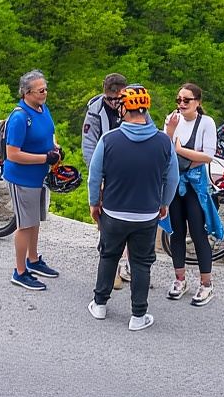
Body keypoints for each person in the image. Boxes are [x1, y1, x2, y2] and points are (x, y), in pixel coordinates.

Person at [87, 84, 178, 331]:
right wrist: (164, 204)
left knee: (108, 256)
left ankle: (100, 304)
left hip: (114, 212)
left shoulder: (109, 140)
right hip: (147, 214)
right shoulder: (163, 142)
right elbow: (172, 179)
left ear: (124, 108)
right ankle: (138, 316)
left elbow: (94, 177)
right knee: (141, 263)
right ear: (146, 109)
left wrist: (94, 204)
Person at [4, 69, 61, 291]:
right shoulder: (19, 117)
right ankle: (19, 271)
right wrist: (44, 158)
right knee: (25, 225)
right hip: (22, 178)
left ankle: (34, 259)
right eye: (40, 90)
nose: (45, 93)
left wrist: (55, 149)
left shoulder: (42, 108)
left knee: (35, 221)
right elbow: (13, 154)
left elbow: (48, 134)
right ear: (26, 93)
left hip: (39, 177)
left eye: (45, 89)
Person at [163, 82, 219, 306]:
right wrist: (169, 132)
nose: (182, 104)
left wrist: (180, 151)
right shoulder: (172, 120)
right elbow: (164, 150)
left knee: (198, 232)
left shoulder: (206, 122)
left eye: (187, 100)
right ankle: (180, 279)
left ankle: (206, 283)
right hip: (176, 183)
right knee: (176, 232)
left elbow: (207, 156)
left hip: (195, 185)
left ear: (198, 102)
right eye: (179, 100)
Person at [81, 72, 128, 288]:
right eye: (110, 99)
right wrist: (98, 174)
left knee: (131, 220)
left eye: (118, 99)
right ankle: (111, 269)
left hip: (130, 172)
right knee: (106, 223)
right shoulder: (95, 111)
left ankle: (127, 265)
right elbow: (89, 146)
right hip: (108, 173)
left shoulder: (135, 104)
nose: (114, 104)